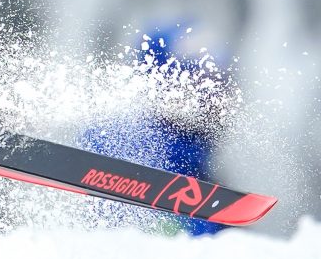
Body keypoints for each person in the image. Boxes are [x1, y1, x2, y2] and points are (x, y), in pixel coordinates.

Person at [79, 21, 233, 236]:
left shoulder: (198, 159)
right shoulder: (127, 143)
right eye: (199, 81)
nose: (213, 96)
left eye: (219, 82)